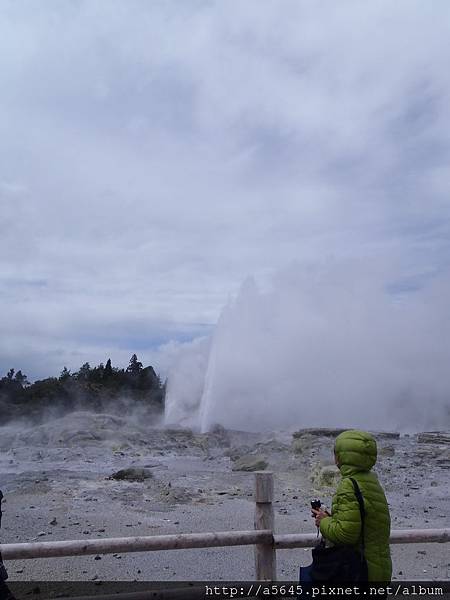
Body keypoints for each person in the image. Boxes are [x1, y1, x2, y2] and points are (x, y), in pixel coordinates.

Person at [312, 429, 392, 582]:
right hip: (379, 568)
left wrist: (323, 521)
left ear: (342, 456)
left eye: (336, 452)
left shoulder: (349, 484)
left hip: (359, 572)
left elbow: (346, 535)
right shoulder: (371, 480)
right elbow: (363, 522)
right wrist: (333, 518)